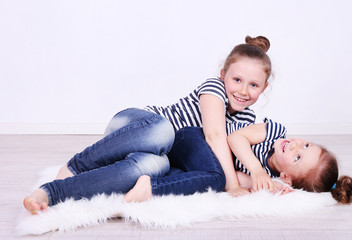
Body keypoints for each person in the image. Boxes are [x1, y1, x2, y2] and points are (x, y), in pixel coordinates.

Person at [23, 35, 273, 214]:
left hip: (158, 152)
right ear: (223, 76)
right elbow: (215, 135)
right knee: (164, 132)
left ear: (264, 88)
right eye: (237, 80)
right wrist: (231, 184)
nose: (243, 90)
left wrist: (267, 182)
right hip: (137, 128)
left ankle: (52, 193)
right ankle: (78, 164)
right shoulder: (214, 88)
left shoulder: (246, 120)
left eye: (253, 85)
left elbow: (221, 160)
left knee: (151, 166)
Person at [227, 118, 352, 204]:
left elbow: (230, 176)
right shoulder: (273, 132)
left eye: (297, 157)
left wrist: (266, 184)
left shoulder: (267, 175)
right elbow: (235, 138)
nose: (294, 145)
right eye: (306, 145)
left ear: (285, 176)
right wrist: (256, 169)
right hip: (211, 135)